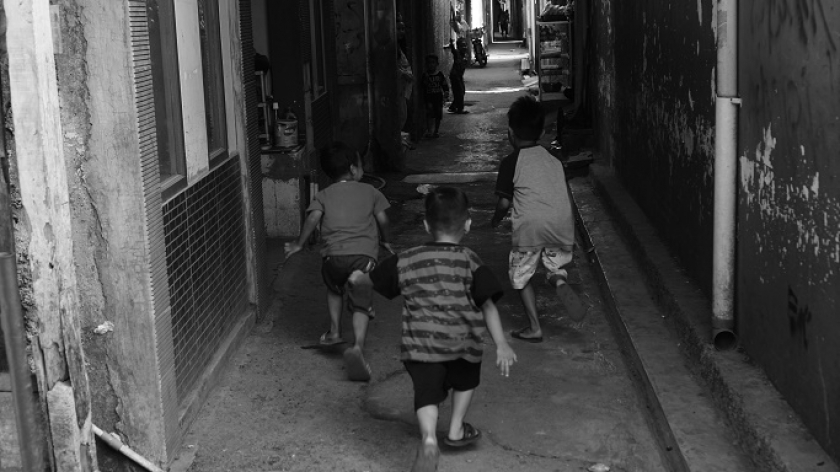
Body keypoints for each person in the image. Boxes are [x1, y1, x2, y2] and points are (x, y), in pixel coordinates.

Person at [349, 187, 517, 472]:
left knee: (427, 394)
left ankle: (428, 440)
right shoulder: (471, 261)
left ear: (426, 225)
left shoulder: (408, 259)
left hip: (421, 346)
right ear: (468, 224)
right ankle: (455, 430)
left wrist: (357, 277)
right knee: (465, 382)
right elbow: (488, 305)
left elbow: (373, 279)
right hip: (463, 344)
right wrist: (501, 342)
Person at [284, 142, 392, 381]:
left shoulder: (323, 195)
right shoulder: (371, 192)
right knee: (361, 301)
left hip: (333, 258)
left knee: (334, 290)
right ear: (354, 169)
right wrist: (387, 241)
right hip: (363, 257)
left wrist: (299, 244)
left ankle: (334, 332)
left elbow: (313, 218)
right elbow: (383, 219)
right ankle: (358, 347)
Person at [490, 96, 588, 343]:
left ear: (510, 133)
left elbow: (503, 203)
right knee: (554, 264)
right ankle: (558, 278)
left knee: (521, 277)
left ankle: (534, 328)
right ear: (542, 132)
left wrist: (495, 219)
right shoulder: (553, 160)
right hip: (560, 223)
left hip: (531, 229)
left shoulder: (511, 162)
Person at [420, 54, 449, 138]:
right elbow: (422, 86)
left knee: (438, 115)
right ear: (426, 64)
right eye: (429, 63)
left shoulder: (440, 75)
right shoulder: (425, 75)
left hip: (438, 98)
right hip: (429, 97)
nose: (431, 65)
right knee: (429, 113)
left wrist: (446, 92)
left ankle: (436, 131)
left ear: (437, 64)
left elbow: (444, 85)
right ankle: (429, 131)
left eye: (433, 63)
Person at [445, 39, 468, 114]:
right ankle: (460, 109)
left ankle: (453, 107)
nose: (464, 47)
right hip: (455, 76)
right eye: (462, 46)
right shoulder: (457, 53)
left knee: (461, 91)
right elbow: (453, 50)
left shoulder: (464, 55)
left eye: (465, 45)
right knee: (459, 92)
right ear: (458, 47)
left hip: (459, 76)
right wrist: (451, 44)